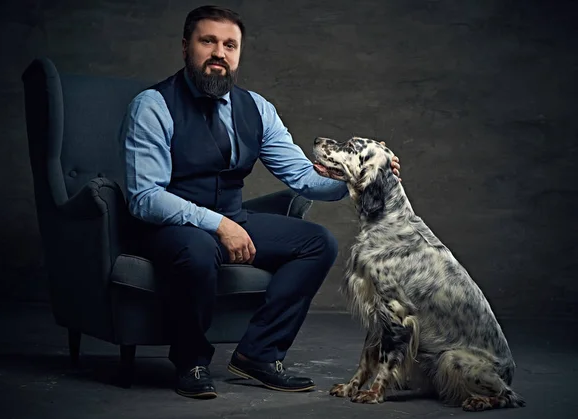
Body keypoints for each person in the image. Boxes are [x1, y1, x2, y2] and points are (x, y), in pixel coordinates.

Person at [119, 5, 401, 400]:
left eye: (230, 45)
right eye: (208, 41)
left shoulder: (257, 108)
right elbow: (145, 198)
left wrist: (362, 174)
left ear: (238, 54)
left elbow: (303, 177)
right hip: (170, 228)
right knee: (198, 251)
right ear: (186, 48)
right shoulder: (152, 106)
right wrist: (218, 225)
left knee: (318, 243)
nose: (220, 52)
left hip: (232, 218)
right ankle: (191, 361)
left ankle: (259, 354)